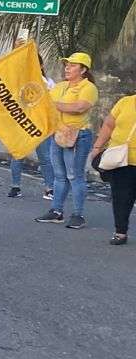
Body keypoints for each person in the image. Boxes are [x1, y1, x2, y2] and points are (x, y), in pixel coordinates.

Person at [36, 52, 99, 229]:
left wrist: (54, 105)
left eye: (72, 65)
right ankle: (56, 211)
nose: (67, 68)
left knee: (75, 175)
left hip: (78, 135)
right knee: (59, 175)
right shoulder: (61, 86)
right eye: (66, 64)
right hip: (59, 133)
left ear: (83, 69)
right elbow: (45, 103)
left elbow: (79, 107)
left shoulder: (89, 88)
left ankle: (78, 215)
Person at [8, 36, 55, 199]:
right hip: (22, 123)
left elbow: (53, 104)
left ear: (41, 65)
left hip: (41, 126)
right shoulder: (22, 80)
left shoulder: (49, 83)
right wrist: (17, 50)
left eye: (36, 62)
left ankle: (50, 188)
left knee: (45, 158)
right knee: (17, 154)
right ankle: (15, 186)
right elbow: (12, 69)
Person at [90, 89, 136, 245]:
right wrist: (97, 146)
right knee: (121, 197)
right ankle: (120, 232)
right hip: (120, 159)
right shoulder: (125, 102)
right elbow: (109, 125)